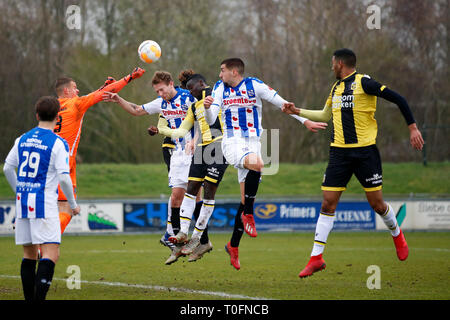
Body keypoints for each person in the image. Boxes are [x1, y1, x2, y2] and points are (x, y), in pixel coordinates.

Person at [282, 48, 424, 278]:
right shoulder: (336, 88)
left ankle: (397, 233)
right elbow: (325, 115)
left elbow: (399, 99)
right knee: (328, 203)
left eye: (332, 63)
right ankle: (316, 258)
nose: (331, 67)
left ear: (340, 63)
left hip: (365, 153)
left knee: (377, 204)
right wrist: (296, 111)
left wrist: (413, 128)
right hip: (339, 153)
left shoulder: (364, 83)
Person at [203, 58, 328, 270]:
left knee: (245, 198)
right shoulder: (218, 88)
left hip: (254, 142)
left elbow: (284, 105)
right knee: (258, 164)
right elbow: (210, 117)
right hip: (232, 142)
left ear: (234, 71)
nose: (219, 74)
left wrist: (304, 120)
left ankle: (233, 245)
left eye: (222, 70)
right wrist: (207, 108)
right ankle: (249, 215)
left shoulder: (255, 85)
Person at [102, 71, 201, 264]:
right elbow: (137, 110)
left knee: (195, 195)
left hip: (195, 151)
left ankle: (198, 240)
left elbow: (200, 120)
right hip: (178, 154)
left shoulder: (188, 97)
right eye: (157, 91)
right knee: (176, 196)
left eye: (162, 90)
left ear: (171, 84)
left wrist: (196, 141)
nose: (160, 94)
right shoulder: (161, 103)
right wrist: (118, 99)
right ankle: (175, 239)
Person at [3, 96, 81, 301]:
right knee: (51, 255)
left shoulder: (22, 139)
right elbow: (64, 178)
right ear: (57, 117)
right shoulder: (58, 143)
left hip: (23, 203)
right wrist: (72, 205)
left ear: (37, 115)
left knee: (28, 255)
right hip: (44, 205)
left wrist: (18, 190)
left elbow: (7, 167)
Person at [54, 67, 145, 234]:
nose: (78, 90)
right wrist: (130, 76)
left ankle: (36, 232)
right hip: (64, 162)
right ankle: (46, 241)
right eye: (75, 87)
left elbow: (92, 96)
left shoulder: (51, 107)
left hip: (49, 160)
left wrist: (102, 87)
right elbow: (106, 94)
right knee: (66, 208)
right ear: (67, 90)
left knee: (54, 205)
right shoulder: (76, 103)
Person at [156, 73, 228, 262]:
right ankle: (182, 236)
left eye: (191, 89)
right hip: (201, 150)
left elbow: (213, 117)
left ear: (201, 84)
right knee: (190, 192)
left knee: (207, 194)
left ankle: (197, 238)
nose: (189, 93)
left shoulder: (215, 94)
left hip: (219, 146)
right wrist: (161, 130)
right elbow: (181, 130)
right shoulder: (194, 105)